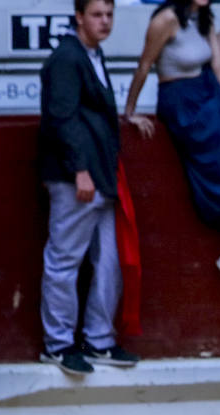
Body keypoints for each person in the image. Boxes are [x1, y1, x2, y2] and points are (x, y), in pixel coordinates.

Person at [124, 0, 220, 292]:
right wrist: (129, 111)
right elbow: (144, 65)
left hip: (206, 92)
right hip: (182, 102)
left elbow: (217, 64)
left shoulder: (202, 16)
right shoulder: (164, 20)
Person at [37, 0, 140, 378]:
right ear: (78, 16)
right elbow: (60, 119)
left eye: (110, 15)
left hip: (99, 176)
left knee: (108, 262)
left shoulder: (90, 55)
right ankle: (58, 345)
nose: (105, 22)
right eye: (97, 14)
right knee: (65, 259)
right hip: (77, 177)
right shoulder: (67, 57)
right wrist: (79, 169)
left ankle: (98, 337)